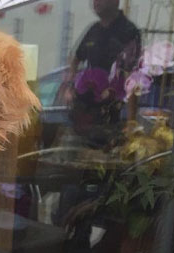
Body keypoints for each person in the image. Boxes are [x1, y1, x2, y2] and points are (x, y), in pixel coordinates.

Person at [63, 0, 141, 147]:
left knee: (102, 161)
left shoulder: (128, 31)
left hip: (109, 118)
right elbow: (75, 58)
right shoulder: (94, 30)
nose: (95, 2)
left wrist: (131, 122)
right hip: (82, 114)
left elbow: (132, 77)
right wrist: (69, 86)